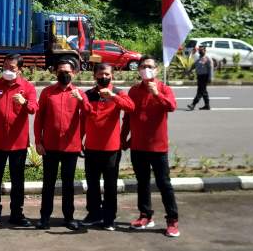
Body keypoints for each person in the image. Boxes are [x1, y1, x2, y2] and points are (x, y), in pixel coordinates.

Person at [121, 55, 180, 238]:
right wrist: (123, 138)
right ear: (138, 70)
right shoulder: (133, 91)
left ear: (157, 69)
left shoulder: (164, 88)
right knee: (143, 183)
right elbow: (128, 117)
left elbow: (171, 106)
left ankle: (172, 220)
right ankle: (145, 215)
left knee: (164, 184)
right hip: (138, 146)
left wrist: (156, 93)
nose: (146, 69)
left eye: (149, 66)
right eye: (143, 66)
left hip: (158, 147)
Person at [0, 54, 38, 227]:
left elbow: (34, 108)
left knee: (17, 180)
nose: (8, 70)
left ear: (20, 69)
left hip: (17, 143)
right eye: (5, 66)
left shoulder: (27, 87)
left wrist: (25, 102)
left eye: (12, 68)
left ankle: (16, 214)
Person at [33, 60, 87, 230]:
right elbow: (39, 118)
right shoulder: (47, 92)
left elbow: (89, 115)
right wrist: (38, 141)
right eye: (61, 71)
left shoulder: (79, 93)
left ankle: (69, 217)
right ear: (55, 73)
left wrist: (82, 101)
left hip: (71, 147)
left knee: (68, 184)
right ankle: (44, 217)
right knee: (48, 183)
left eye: (68, 71)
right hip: (50, 145)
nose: (64, 74)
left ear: (74, 73)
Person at [81, 63, 134, 230]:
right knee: (92, 183)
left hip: (111, 148)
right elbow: (83, 118)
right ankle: (94, 214)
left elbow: (131, 107)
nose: (104, 77)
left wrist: (112, 96)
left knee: (110, 185)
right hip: (91, 147)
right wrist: (79, 139)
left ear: (112, 76)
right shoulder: (88, 94)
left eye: (107, 74)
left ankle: (109, 217)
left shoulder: (118, 93)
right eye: (100, 74)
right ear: (94, 76)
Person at [187, 45, 214, 111]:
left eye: (201, 50)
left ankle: (193, 104)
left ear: (205, 50)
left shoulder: (207, 58)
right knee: (204, 91)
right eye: (199, 50)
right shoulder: (199, 58)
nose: (200, 51)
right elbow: (194, 65)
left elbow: (210, 68)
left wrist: (210, 78)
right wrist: (189, 70)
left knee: (200, 91)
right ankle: (207, 105)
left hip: (205, 76)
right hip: (199, 76)